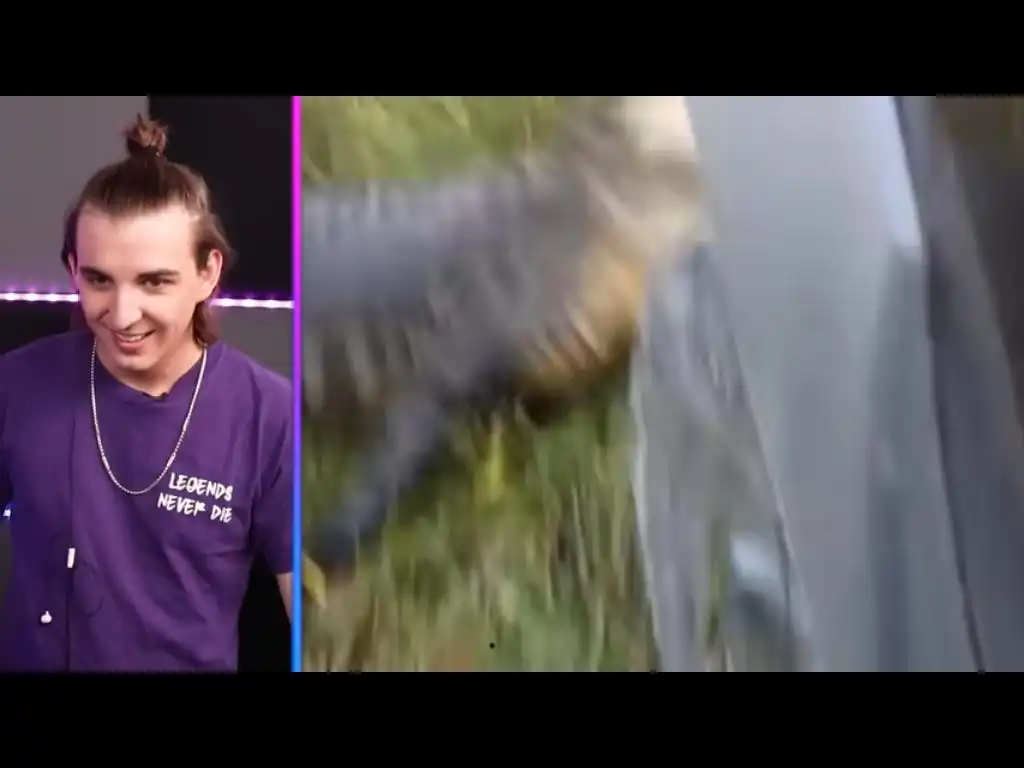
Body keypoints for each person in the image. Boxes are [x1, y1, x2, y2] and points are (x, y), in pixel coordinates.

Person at [0, 115, 293, 671]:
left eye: (154, 282)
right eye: (99, 280)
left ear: (208, 273)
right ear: (73, 269)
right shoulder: (16, 385)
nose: (122, 315)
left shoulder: (271, 417)